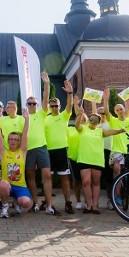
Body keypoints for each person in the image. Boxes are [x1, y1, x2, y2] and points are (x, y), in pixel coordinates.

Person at [75, 96, 125, 213]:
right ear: (89, 121)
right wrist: (79, 114)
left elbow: (111, 132)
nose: (93, 122)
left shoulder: (100, 131)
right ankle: (88, 205)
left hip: (97, 160)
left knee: (96, 183)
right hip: (84, 159)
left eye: (95, 120)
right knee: (86, 182)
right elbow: (76, 125)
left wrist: (119, 131)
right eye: (91, 120)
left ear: (98, 123)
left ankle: (95, 205)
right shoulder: (83, 129)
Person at [0, 107, 33, 218]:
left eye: (15, 139)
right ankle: (5, 206)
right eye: (10, 139)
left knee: (25, 203)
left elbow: (25, 134)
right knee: (3, 184)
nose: (13, 141)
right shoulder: (3, 152)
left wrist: (27, 119)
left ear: (19, 141)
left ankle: (16, 202)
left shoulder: (22, 152)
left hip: (20, 186)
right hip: (8, 186)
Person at [44, 80, 75, 214]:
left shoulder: (64, 116)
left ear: (59, 106)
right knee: (48, 178)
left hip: (62, 150)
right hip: (48, 151)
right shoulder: (45, 118)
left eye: (56, 106)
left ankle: (68, 203)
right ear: (49, 107)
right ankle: (48, 202)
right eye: (52, 106)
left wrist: (70, 93)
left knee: (64, 178)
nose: (55, 108)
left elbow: (70, 105)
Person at [25, 72, 54, 214]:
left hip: (41, 148)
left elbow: (46, 98)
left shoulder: (42, 113)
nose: (32, 105)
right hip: (28, 150)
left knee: (47, 175)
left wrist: (46, 83)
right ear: (26, 105)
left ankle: (49, 205)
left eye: (34, 103)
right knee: (30, 176)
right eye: (29, 103)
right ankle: (35, 203)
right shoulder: (22, 117)